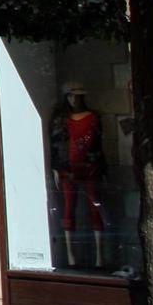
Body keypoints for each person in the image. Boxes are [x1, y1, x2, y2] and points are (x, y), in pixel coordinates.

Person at [49, 81, 106, 267]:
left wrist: (101, 166)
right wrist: (56, 166)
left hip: (90, 167)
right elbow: (56, 144)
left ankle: (99, 257)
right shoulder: (60, 119)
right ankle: (70, 256)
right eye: (71, 96)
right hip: (68, 168)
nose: (74, 99)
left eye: (77, 95)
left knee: (94, 206)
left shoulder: (93, 117)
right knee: (68, 207)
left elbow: (98, 143)